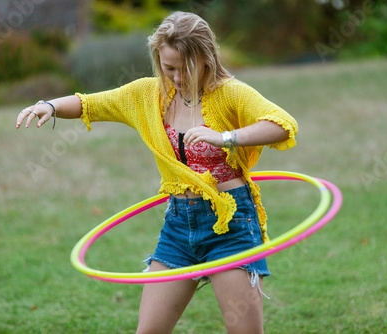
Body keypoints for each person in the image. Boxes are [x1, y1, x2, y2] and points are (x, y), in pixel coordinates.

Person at [16, 11, 298, 334]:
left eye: (186, 68)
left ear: (206, 59)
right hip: (178, 226)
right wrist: (50, 106)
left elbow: (283, 124)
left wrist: (225, 138)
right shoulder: (147, 96)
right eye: (169, 68)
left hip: (230, 223)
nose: (177, 77)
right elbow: (91, 104)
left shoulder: (229, 93)